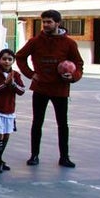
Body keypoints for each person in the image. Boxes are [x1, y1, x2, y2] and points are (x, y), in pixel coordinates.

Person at [16, 9, 83, 167]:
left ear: (58, 23)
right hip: (40, 88)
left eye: (49, 22)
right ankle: (34, 155)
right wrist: (30, 74)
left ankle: (64, 157)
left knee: (62, 124)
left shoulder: (69, 43)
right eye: (44, 21)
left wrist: (73, 76)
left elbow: (78, 64)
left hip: (60, 89)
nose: (45, 25)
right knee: (37, 122)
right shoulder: (35, 41)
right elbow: (20, 57)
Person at [0, 48, 25, 172]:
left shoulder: (16, 75)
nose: (6, 61)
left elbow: (22, 90)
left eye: (9, 59)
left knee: (7, 135)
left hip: (9, 109)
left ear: (13, 61)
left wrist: (12, 84)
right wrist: (5, 84)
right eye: (4, 59)